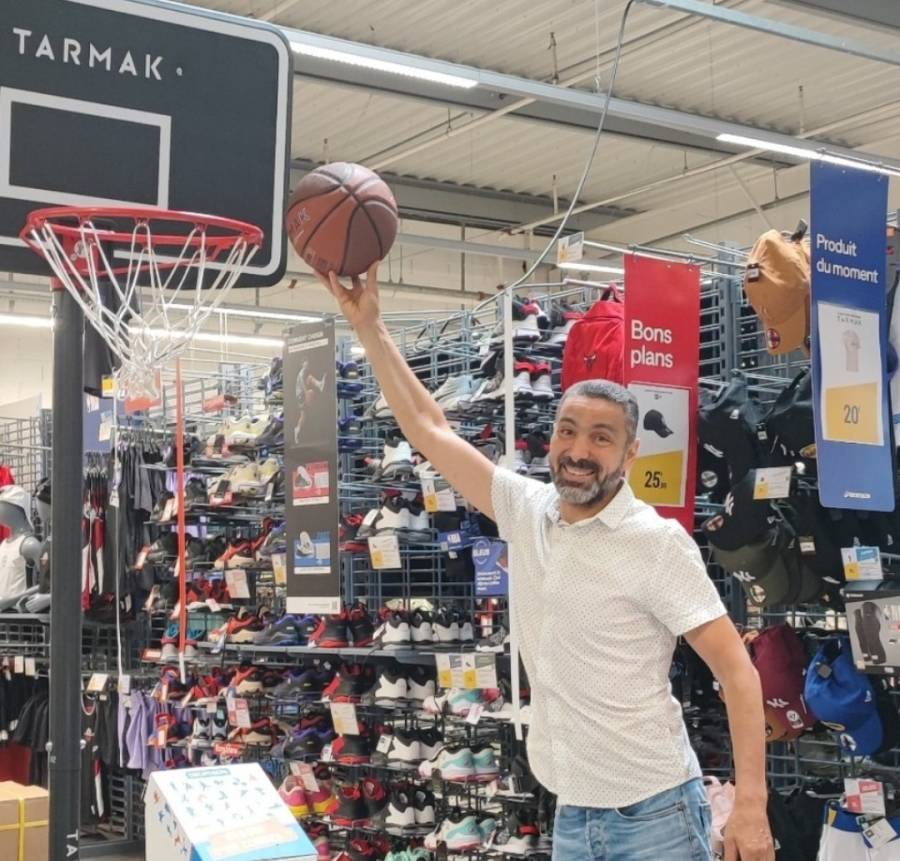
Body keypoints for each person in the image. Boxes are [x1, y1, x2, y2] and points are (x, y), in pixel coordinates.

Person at [319, 264, 775, 861]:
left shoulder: (655, 543)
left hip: (654, 814)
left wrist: (751, 806)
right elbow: (430, 430)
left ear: (631, 454)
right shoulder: (526, 509)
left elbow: (737, 672)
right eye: (568, 431)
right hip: (571, 811)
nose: (579, 451)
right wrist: (370, 326)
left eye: (602, 437)